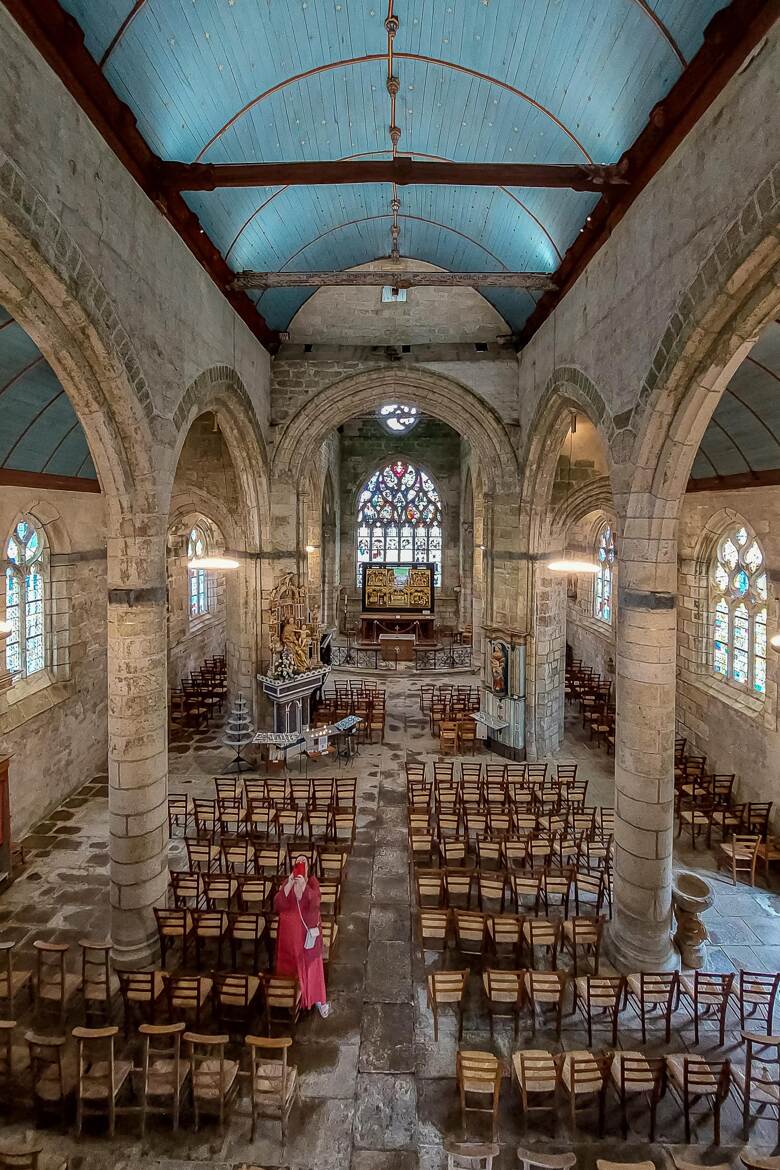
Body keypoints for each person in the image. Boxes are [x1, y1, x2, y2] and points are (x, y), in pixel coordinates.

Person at [273, 855, 330, 1018]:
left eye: (303, 862)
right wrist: (290, 882)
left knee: (312, 968)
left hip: (307, 937)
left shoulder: (312, 883)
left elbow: (315, 904)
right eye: (297, 862)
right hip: (290, 938)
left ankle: (317, 998)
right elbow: (279, 904)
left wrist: (304, 886)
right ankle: (293, 997)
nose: (300, 865)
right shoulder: (288, 883)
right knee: (291, 969)